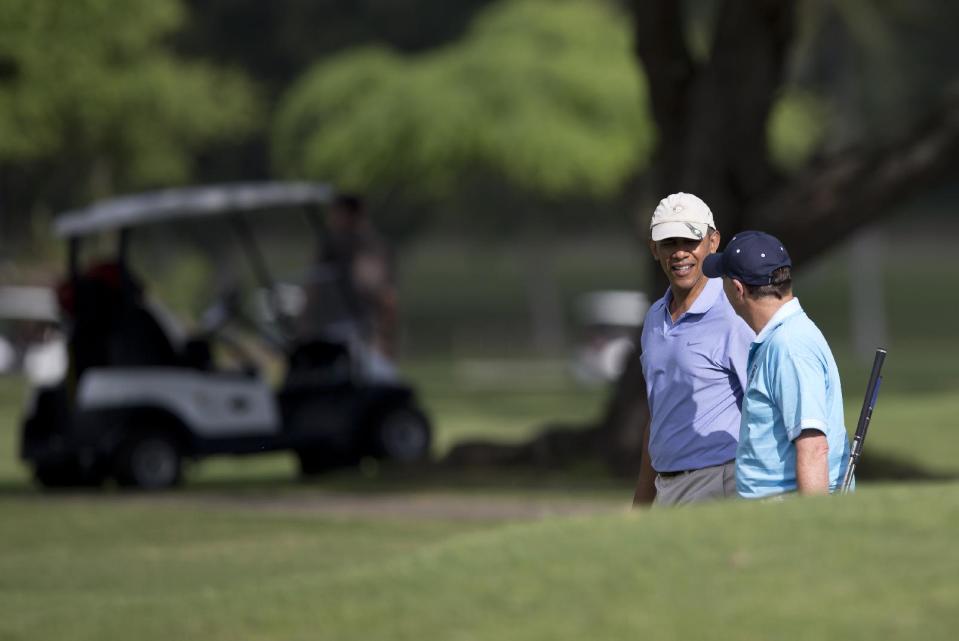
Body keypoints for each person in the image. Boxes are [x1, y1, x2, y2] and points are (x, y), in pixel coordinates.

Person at [702, 230, 851, 498]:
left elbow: (814, 447)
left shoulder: (790, 346)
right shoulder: (783, 338)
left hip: (786, 515)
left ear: (737, 289)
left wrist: (817, 528)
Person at [633, 193, 755, 507]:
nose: (680, 253)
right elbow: (659, 416)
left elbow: (766, 408)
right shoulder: (654, 318)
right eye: (669, 243)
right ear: (654, 249)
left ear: (713, 242)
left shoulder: (734, 314)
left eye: (690, 241)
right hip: (667, 486)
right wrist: (642, 503)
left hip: (722, 482)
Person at [299, 193, 398, 360]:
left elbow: (385, 297)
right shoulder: (328, 248)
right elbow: (312, 290)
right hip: (328, 330)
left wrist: (385, 339)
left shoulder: (371, 249)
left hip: (361, 332)